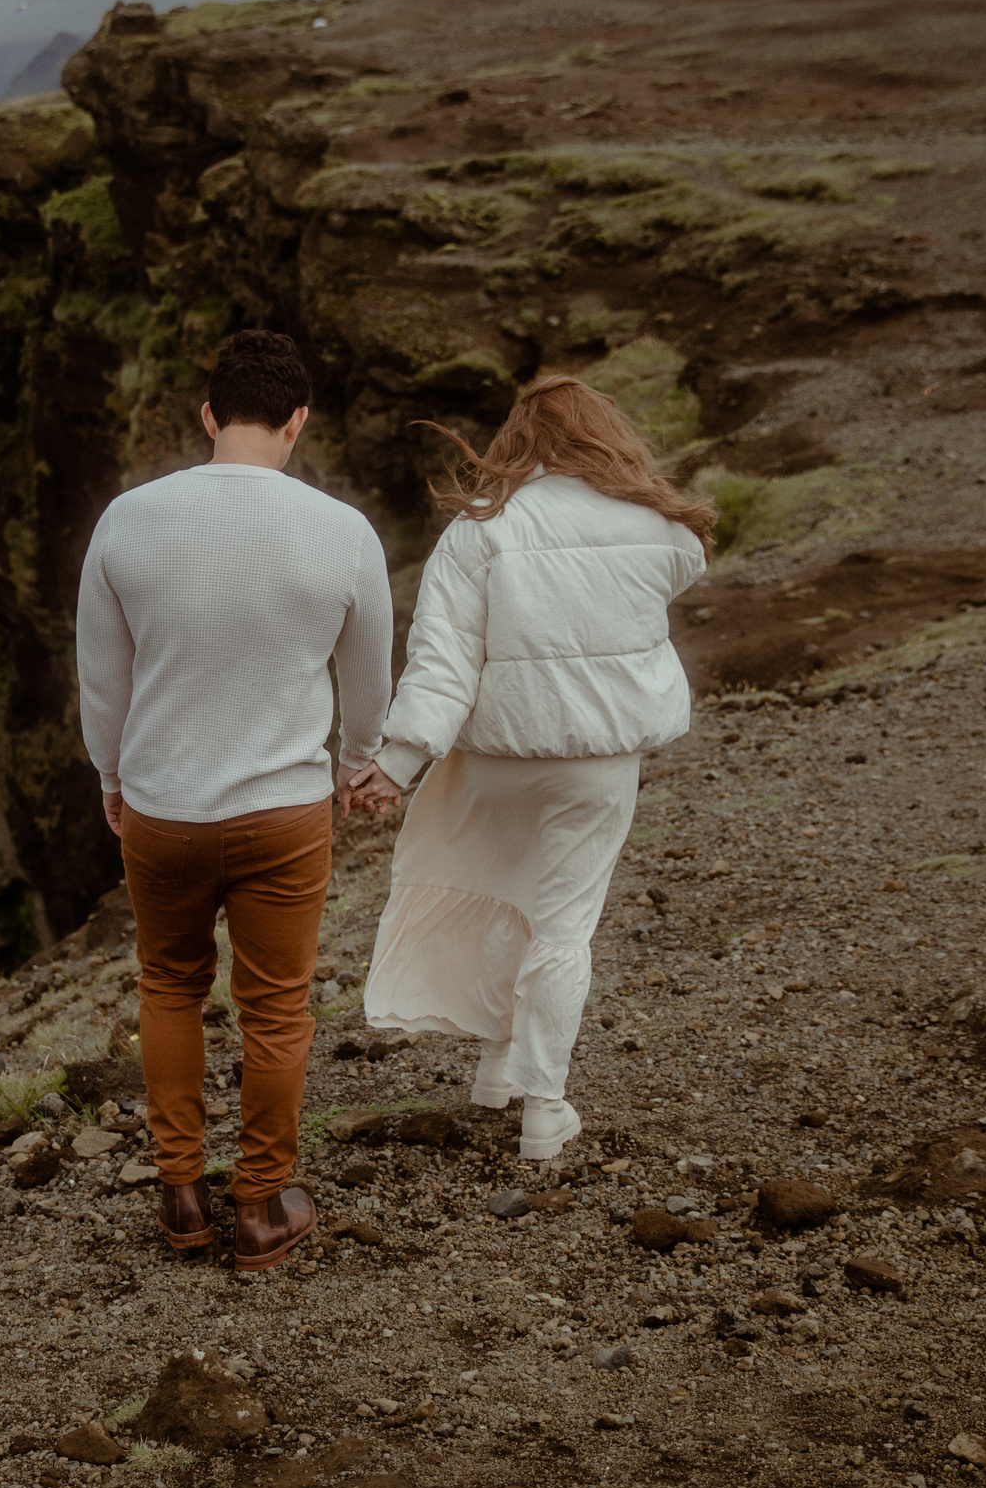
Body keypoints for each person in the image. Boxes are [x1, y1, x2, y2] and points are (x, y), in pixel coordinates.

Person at [76, 329, 394, 1269]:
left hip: (163, 808)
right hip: (284, 813)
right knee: (277, 1009)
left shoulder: (127, 520)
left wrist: (111, 777)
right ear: (298, 421)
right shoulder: (344, 531)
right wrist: (358, 761)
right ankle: (260, 1204)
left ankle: (181, 1195)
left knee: (169, 985)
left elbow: (103, 680)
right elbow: (369, 682)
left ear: (209, 414)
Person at [350, 372, 711, 1160]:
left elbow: (443, 663)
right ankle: (543, 1108)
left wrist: (396, 762)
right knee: (561, 927)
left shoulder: (481, 528)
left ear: (517, 439)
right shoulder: (656, 527)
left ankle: (492, 1071)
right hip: (599, 762)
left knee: (502, 903)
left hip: (499, 759)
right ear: (603, 436)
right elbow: (689, 562)